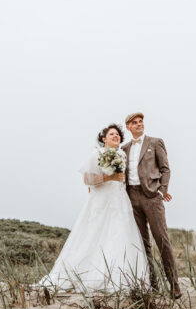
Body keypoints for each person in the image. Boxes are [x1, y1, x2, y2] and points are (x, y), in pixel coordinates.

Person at [38, 124, 150, 293]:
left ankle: (122, 277)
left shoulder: (122, 154)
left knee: (120, 233)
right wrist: (109, 176)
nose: (115, 136)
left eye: (118, 134)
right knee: (94, 233)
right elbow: (87, 179)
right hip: (101, 199)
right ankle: (90, 274)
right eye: (111, 134)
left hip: (119, 199)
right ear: (103, 139)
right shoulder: (97, 154)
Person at [121, 112, 181, 299]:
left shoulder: (155, 142)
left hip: (152, 197)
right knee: (142, 244)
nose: (139, 124)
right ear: (128, 127)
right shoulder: (123, 149)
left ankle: (174, 285)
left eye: (141, 122)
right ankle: (152, 284)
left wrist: (162, 190)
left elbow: (165, 168)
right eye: (134, 122)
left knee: (162, 240)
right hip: (132, 197)